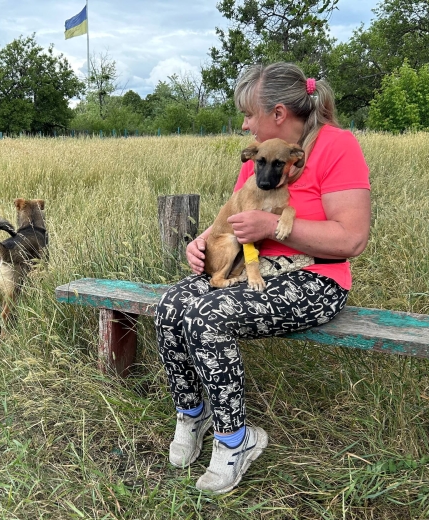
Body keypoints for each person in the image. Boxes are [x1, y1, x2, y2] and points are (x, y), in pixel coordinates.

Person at [154, 62, 371, 494]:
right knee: (169, 306)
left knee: (207, 317)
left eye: (249, 114)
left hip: (316, 279)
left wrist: (273, 228)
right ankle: (192, 414)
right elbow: (237, 214)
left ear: (277, 113)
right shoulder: (258, 155)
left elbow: (352, 238)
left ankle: (236, 440)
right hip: (248, 266)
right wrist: (202, 242)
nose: (244, 123)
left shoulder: (338, 146)